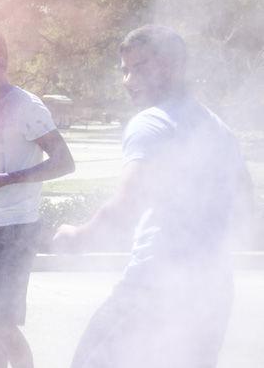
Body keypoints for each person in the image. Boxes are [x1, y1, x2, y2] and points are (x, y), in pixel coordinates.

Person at [53, 25, 253, 368]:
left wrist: (78, 236)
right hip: (213, 291)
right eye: (125, 70)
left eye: (141, 68)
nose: (129, 80)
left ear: (174, 67)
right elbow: (246, 205)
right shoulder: (217, 127)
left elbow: (128, 205)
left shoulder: (152, 122)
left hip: (154, 287)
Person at [0, 29, 75, 368]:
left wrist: (9, 179)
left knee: (3, 324)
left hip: (15, 228)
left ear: (0, 63)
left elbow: (64, 162)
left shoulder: (27, 106)